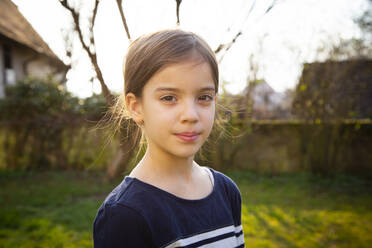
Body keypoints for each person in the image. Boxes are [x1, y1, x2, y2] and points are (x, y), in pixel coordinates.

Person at [93, 29, 245, 248]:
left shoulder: (226, 191)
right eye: (169, 98)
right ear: (136, 107)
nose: (190, 115)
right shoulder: (124, 215)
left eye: (204, 97)